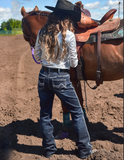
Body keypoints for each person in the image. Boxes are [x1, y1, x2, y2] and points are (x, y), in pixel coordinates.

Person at [34, 0, 95, 159]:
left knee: (45, 114)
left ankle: (48, 150)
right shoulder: (69, 35)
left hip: (43, 76)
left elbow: (38, 57)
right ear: (67, 17)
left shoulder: (42, 32)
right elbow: (74, 63)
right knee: (77, 112)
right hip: (61, 77)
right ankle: (84, 149)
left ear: (53, 15)